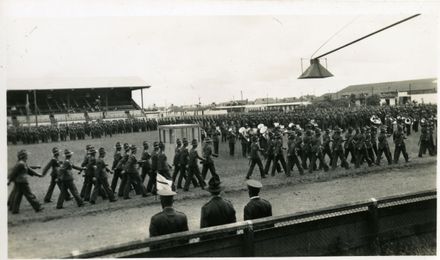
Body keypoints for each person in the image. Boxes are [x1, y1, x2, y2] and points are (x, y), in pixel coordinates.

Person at [8, 150, 44, 214]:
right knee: (29, 195)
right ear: (23, 156)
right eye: (26, 155)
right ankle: (38, 207)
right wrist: (9, 181)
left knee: (18, 196)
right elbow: (13, 173)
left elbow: (29, 170)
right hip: (22, 182)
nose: (27, 157)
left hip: (20, 182)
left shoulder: (22, 163)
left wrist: (38, 174)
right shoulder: (21, 164)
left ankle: (15, 210)